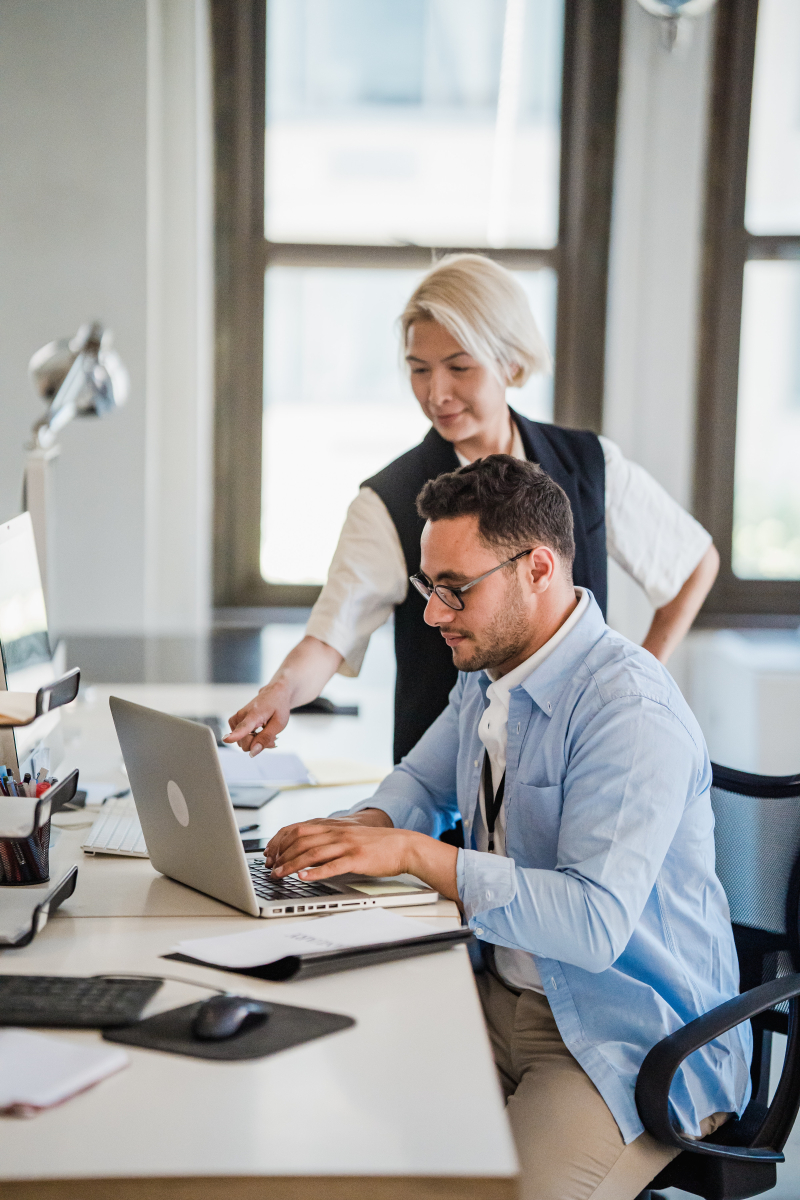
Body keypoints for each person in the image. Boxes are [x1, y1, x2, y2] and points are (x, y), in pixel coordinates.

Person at [262, 456, 751, 1200]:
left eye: (454, 590)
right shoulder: (489, 672)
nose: (432, 614)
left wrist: (422, 856)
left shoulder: (628, 711)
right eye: (430, 588)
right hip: (499, 998)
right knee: (329, 1127)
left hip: (628, 1038)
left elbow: (592, 925)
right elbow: (422, 782)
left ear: (538, 569)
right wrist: (362, 827)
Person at [225, 254, 719, 764]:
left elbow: (693, 562)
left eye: (459, 367)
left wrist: (634, 680)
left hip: (574, 765)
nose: (437, 393)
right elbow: (329, 638)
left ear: (511, 362)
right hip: (440, 786)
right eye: (419, 370)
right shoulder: (388, 500)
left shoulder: (589, 465)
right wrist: (280, 692)